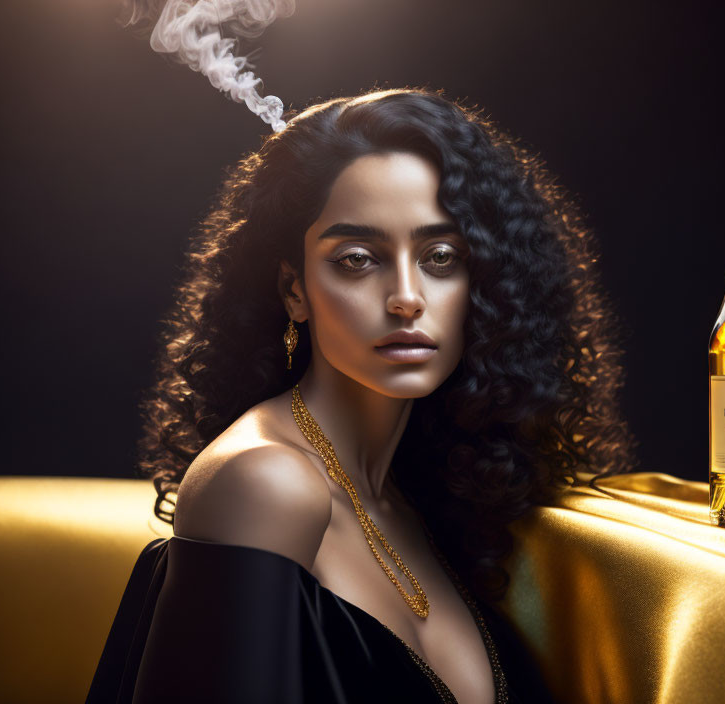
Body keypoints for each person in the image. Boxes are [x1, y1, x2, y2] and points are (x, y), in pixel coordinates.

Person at [86, 87, 635, 703]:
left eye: (441, 256)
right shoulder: (264, 482)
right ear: (294, 290)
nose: (406, 296)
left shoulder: (425, 491)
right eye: (356, 259)